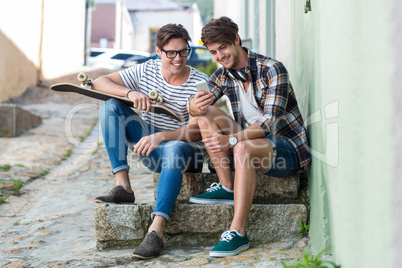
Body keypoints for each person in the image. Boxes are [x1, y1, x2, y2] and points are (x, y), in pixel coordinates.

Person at [188, 17, 311, 257]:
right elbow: (195, 110)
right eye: (213, 52)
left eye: (223, 48)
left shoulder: (272, 68)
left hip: (286, 149)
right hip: (251, 142)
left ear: (236, 40)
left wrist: (233, 140)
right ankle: (226, 185)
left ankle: (238, 233)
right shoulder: (223, 74)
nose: (219, 56)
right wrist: (193, 106)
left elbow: (269, 123)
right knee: (205, 113)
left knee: (242, 148)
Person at [92, 23, 208, 259]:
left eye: (184, 51)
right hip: (153, 149)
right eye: (171, 53)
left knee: (174, 147)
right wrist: (129, 93)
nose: (178, 58)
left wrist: (162, 136)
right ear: (158, 51)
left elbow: (199, 131)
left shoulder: (200, 82)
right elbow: (99, 82)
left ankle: (156, 231)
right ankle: (123, 186)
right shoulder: (146, 71)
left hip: (186, 151)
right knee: (110, 105)